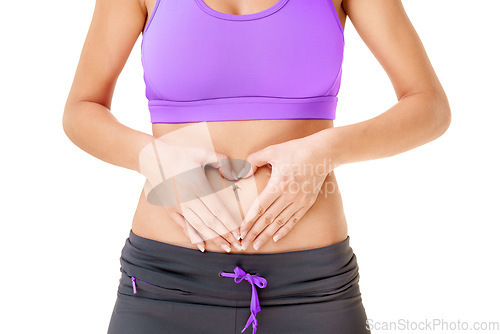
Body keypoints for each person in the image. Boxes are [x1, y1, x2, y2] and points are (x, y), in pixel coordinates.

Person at [62, 0, 451, 333]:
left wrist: (324, 151)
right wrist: (154, 158)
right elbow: (82, 108)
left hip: (311, 289)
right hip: (164, 283)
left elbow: (429, 106)